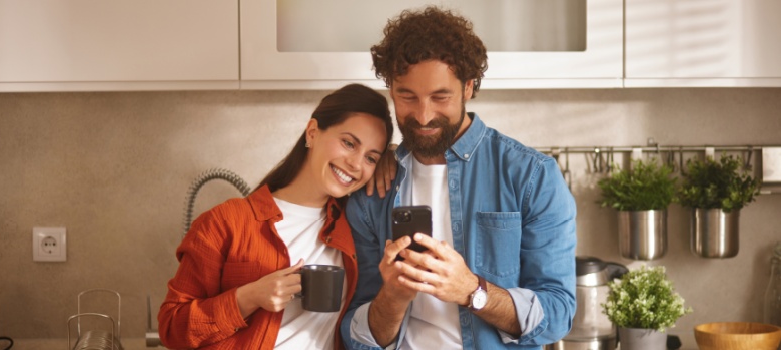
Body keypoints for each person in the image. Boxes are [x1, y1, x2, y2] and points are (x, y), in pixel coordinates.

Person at [341, 6, 577, 350]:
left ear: (468, 87)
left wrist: (471, 291)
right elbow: (356, 331)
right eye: (407, 96)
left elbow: (558, 314)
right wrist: (392, 298)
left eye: (440, 97)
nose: (423, 115)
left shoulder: (531, 176)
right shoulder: (373, 189)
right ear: (390, 88)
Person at [159, 83, 394, 350]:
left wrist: (393, 156)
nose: (356, 164)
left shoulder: (354, 225)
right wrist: (247, 297)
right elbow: (172, 329)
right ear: (313, 132)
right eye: (348, 143)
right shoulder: (226, 223)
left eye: (370, 158)